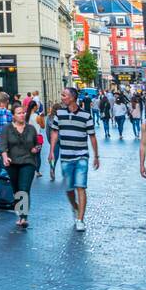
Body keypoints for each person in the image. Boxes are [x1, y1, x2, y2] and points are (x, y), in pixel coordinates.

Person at [50, 86, 99, 232]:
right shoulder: (59, 114)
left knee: (81, 187)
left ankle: (80, 219)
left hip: (81, 155)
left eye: (64, 95)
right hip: (66, 156)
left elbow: (92, 136)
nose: (62, 97)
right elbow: (54, 132)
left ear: (72, 97)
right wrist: (52, 151)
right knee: (69, 188)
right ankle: (75, 207)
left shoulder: (86, 116)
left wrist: (96, 155)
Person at [0, 103, 40, 229]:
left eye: (23, 112)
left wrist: (35, 149)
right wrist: (5, 157)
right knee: (16, 189)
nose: (22, 115)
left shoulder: (31, 129)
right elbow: (3, 146)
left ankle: (23, 217)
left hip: (28, 162)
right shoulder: (7, 129)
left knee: (24, 188)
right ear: (13, 116)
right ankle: (20, 213)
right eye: (19, 113)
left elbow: (37, 144)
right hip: (12, 163)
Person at [25, 97, 45, 175]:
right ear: (34, 107)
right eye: (36, 106)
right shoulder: (37, 117)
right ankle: (37, 171)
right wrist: (42, 117)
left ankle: (29, 169)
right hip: (37, 138)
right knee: (37, 155)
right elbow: (43, 126)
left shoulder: (25, 115)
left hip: (27, 137)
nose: (37, 107)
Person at [46, 102, 61, 180]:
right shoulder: (61, 117)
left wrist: (50, 140)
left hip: (53, 140)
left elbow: (47, 130)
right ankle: (66, 172)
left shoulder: (49, 117)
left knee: (54, 156)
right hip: (62, 138)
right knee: (65, 155)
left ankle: (52, 168)